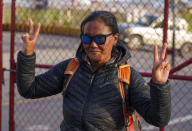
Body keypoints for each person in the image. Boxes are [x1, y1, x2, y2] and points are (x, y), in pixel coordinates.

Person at [16, 11, 171, 131]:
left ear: (115, 38)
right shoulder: (70, 68)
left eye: (100, 39)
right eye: (86, 38)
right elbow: (30, 89)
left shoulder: (127, 76)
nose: (93, 45)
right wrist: (27, 54)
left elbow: (158, 119)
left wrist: (160, 85)